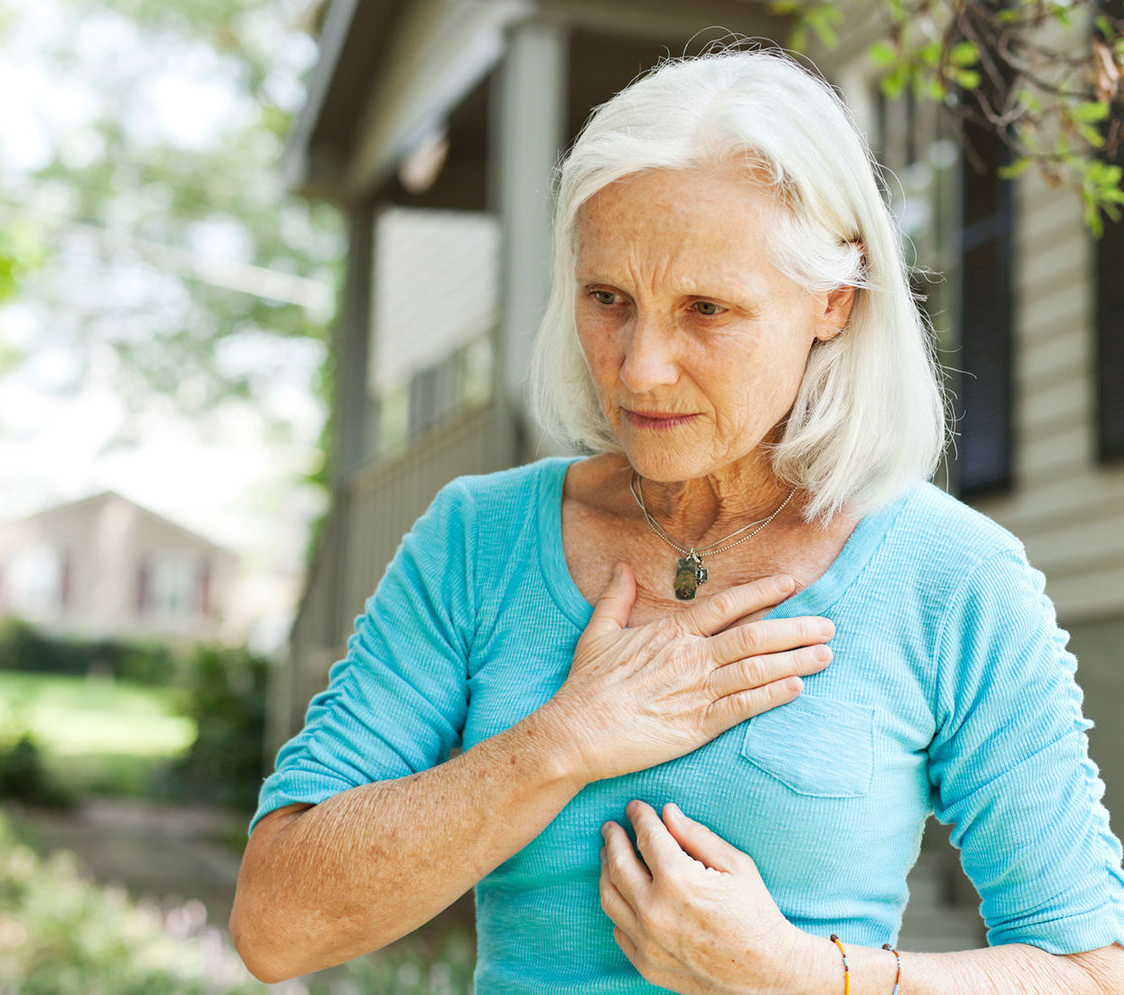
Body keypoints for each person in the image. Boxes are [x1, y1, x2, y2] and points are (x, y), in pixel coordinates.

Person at [230, 48, 1124, 993]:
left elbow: (1091, 971)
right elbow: (275, 927)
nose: (641, 366)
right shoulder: (475, 541)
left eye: (707, 309)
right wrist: (565, 737)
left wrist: (805, 974)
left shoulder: (951, 577)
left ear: (834, 299)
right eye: (607, 298)